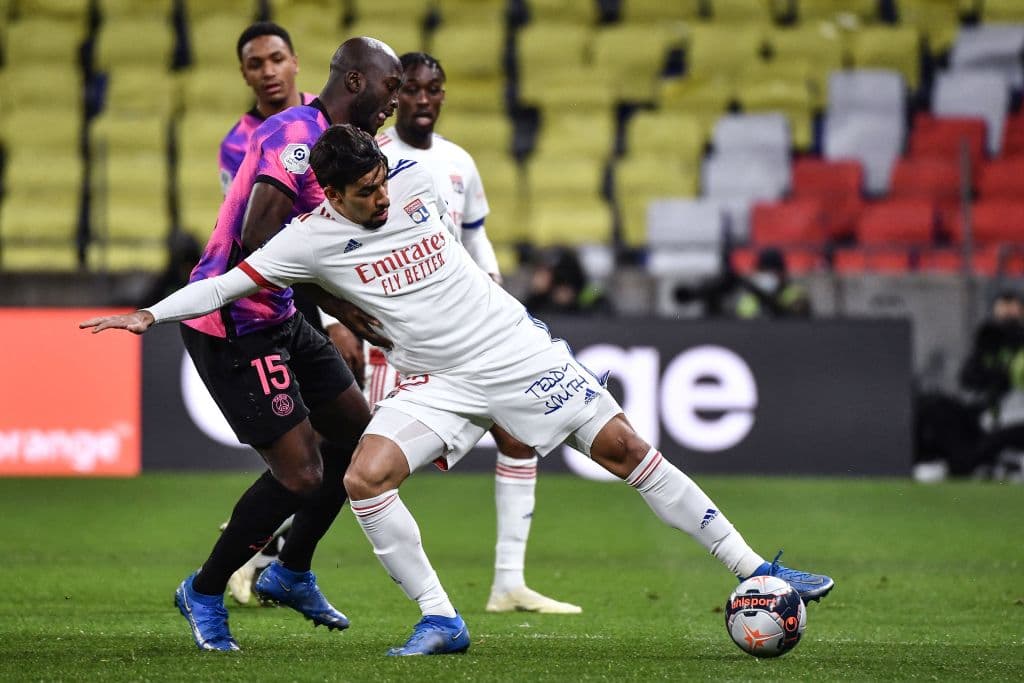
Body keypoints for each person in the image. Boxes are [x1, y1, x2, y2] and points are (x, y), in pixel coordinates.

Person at [82, 124, 835, 656]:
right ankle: (441, 618)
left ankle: (757, 570)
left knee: (627, 448)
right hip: (439, 380)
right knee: (362, 475)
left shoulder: (410, 177)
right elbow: (223, 286)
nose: (383, 196)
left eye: (383, 180)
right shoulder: (305, 239)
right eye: (367, 192)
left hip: (513, 350)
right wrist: (150, 313)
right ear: (332, 193)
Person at [146, 39, 401, 652]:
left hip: (281, 314)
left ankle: (290, 571)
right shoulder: (296, 138)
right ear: (359, 82)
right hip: (232, 322)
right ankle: (204, 590)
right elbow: (260, 239)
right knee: (300, 476)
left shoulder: (343, 146)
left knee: (358, 443)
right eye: (391, 89)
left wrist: (342, 303)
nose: (393, 105)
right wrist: (338, 302)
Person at [327, 51, 579, 614]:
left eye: (433, 89)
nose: (422, 100)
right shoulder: (373, 158)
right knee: (358, 467)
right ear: (397, 95)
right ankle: (262, 553)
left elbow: (474, 235)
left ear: (443, 95)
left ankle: (508, 583)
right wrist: (330, 319)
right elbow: (332, 245)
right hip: (399, 339)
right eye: (411, 89)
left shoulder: (460, 161)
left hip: (470, 335)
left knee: (518, 434)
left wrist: (492, 281)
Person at [214, 21, 368, 609]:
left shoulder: (332, 124)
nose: (268, 71)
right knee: (300, 454)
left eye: (277, 58)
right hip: (277, 304)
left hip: (327, 294)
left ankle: (277, 555)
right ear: (245, 74)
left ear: (297, 63)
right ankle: (254, 552)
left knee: (336, 439)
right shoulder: (240, 142)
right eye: (256, 64)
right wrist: (330, 320)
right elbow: (264, 238)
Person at [524, 246, 610, 316]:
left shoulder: (594, 299)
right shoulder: (537, 301)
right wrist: (536, 294)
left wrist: (574, 300)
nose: (562, 290)